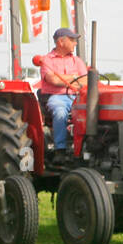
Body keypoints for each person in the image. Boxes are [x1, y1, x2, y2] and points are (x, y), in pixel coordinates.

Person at [38, 27, 88, 158]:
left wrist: (65, 77)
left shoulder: (76, 60)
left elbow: (86, 81)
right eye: (72, 40)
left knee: (93, 111)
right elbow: (53, 80)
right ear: (61, 42)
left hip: (77, 97)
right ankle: (60, 149)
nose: (75, 43)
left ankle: (86, 147)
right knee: (60, 111)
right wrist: (74, 77)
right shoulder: (47, 60)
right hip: (57, 97)